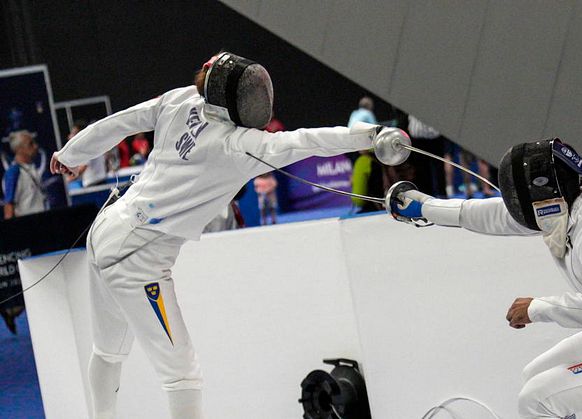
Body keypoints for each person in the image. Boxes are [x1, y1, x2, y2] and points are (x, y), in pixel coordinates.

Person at [50, 51, 392, 419]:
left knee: (109, 351)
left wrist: (71, 153)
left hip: (106, 229)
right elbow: (304, 141)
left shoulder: (180, 99)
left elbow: (119, 122)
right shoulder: (238, 145)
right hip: (137, 259)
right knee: (182, 376)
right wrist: (373, 135)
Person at [387, 138, 582, 418]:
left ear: (542, 196)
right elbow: (494, 215)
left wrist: (537, 308)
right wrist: (426, 207)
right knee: (534, 374)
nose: (516, 209)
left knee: (536, 401)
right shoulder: (564, 207)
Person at [3, 130, 47, 218]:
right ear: (19, 149)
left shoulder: (32, 168)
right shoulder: (13, 173)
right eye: (30, 144)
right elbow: (9, 205)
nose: (35, 146)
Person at [66, 121, 108, 187]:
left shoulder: (86, 146)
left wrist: (67, 180)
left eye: (73, 133)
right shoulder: (94, 143)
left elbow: (82, 168)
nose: (70, 136)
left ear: (80, 134)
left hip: (94, 184)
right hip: (100, 181)